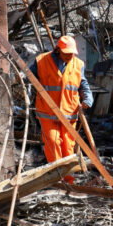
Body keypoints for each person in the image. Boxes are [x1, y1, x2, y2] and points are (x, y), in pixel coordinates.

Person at [30, 35, 93, 184]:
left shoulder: (78, 64)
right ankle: (56, 179)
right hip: (48, 113)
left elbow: (83, 85)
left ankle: (69, 180)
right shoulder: (41, 61)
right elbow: (29, 77)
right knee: (53, 143)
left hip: (69, 114)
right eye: (67, 53)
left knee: (68, 147)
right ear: (58, 50)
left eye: (72, 53)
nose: (70, 56)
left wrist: (88, 98)